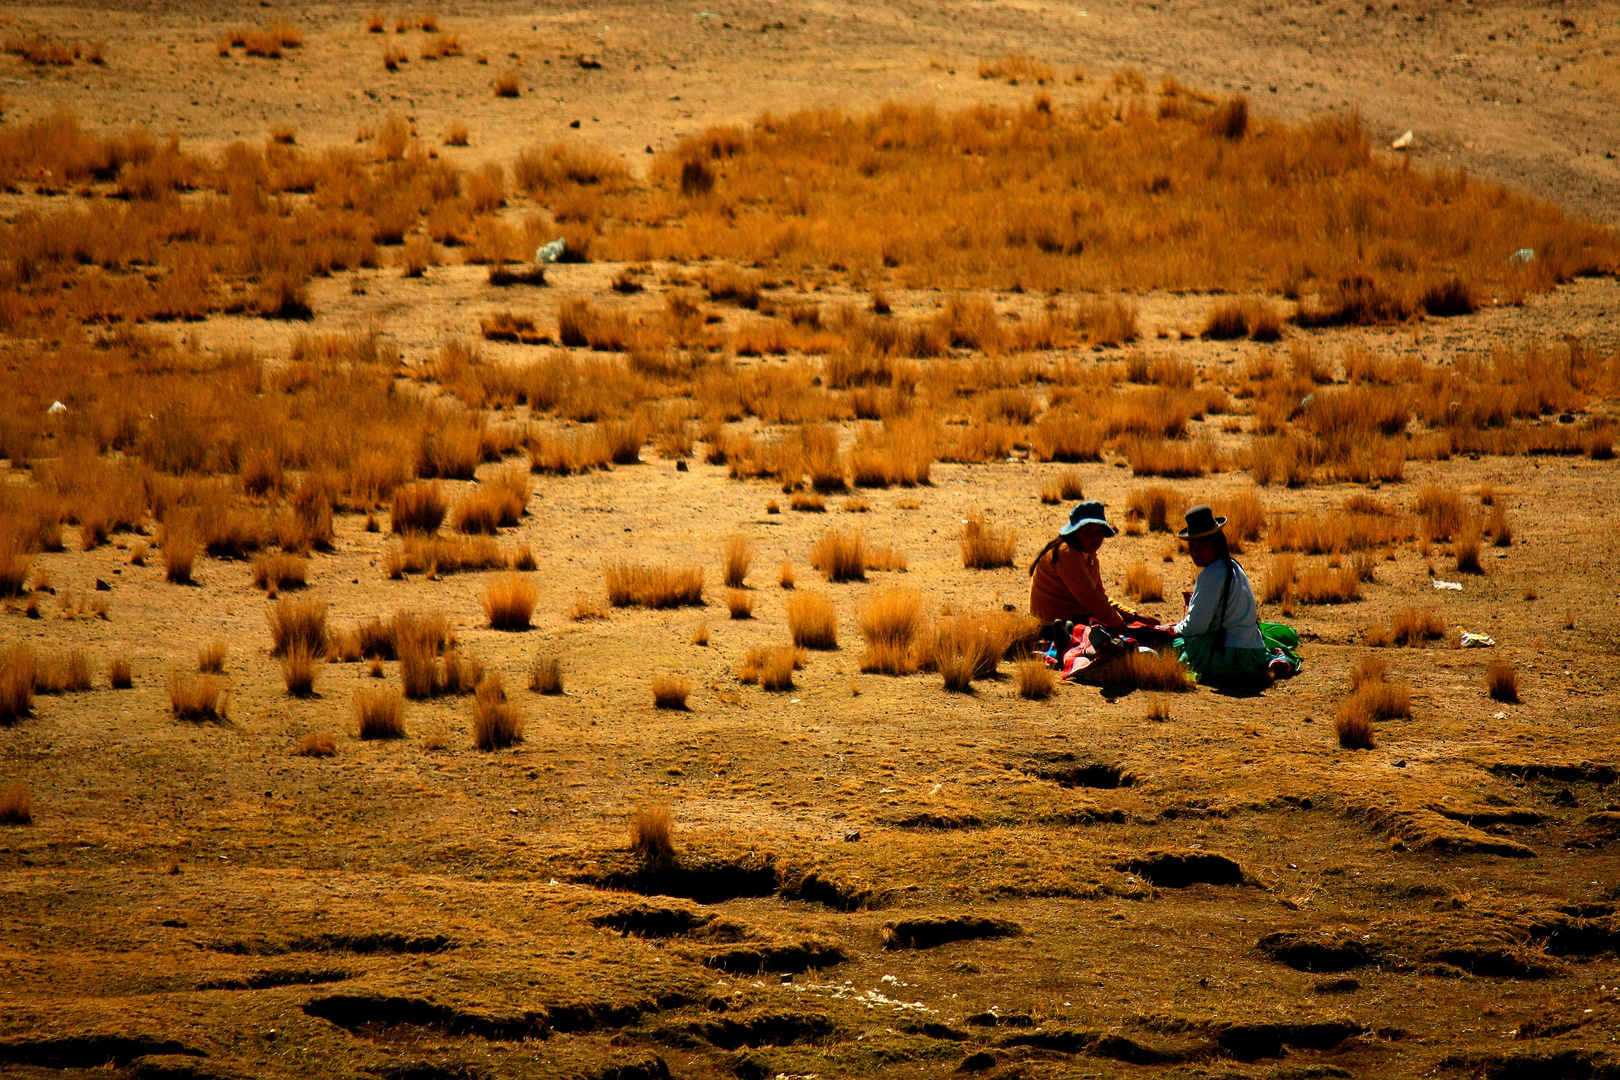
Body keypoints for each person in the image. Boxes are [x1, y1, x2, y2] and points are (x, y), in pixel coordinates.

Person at [1172, 504, 1299, 683]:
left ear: (1215, 545)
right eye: (1193, 547)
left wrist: (1174, 628)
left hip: (1229, 655)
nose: (1195, 553)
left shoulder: (1211, 575)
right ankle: (1274, 661)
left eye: (1201, 547)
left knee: (1171, 646)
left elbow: (1198, 626)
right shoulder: (1232, 566)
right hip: (1253, 650)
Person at [1029, 501, 1138, 632]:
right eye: (1088, 531)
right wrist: (1121, 626)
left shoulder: (1089, 556)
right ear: (1074, 533)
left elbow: (1100, 597)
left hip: (1078, 619)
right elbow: (1091, 599)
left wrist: (1134, 616)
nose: (1095, 537)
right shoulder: (1067, 554)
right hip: (1056, 627)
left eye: (1099, 531)